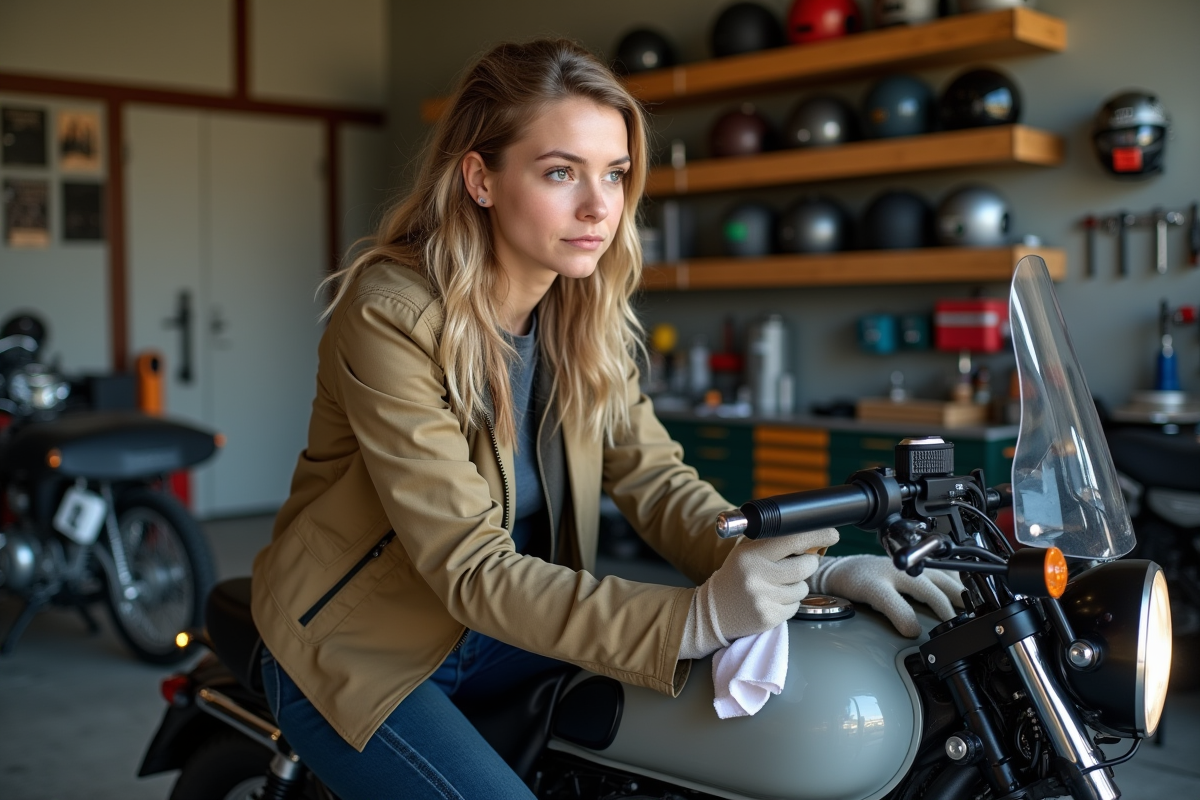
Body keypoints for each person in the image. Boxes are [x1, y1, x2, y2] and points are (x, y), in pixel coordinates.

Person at [251, 38, 962, 800]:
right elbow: (468, 565)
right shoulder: (392, 316)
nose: (599, 207)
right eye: (561, 172)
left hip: (503, 628)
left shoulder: (577, 312)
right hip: (361, 645)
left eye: (615, 174)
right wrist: (692, 619)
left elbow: (656, 481)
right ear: (480, 179)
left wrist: (812, 573)